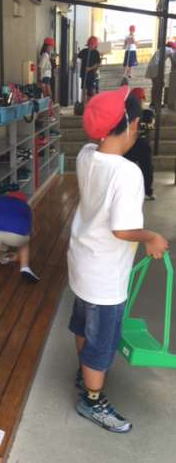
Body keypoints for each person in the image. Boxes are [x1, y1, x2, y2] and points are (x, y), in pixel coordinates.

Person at [68, 86, 168, 433]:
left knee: (83, 326)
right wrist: (151, 237)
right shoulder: (127, 173)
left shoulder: (85, 155)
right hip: (105, 275)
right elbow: (123, 230)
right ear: (130, 125)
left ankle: (84, 376)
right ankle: (92, 399)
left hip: (82, 262)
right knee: (101, 342)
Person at [0, 191, 40, 285]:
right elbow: (31, 229)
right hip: (16, 235)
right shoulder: (25, 206)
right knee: (24, 242)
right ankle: (25, 268)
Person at [124, 87, 156, 200]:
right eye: (138, 99)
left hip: (143, 145)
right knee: (125, 168)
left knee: (147, 169)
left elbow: (150, 126)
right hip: (129, 145)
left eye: (140, 100)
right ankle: (125, 190)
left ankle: (147, 191)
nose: (139, 102)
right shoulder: (126, 114)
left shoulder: (148, 113)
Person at [145, 41, 175, 107]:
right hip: (157, 66)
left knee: (155, 86)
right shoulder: (170, 50)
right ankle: (157, 103)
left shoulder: (161, 49)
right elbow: (173, 61)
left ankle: (153, 103)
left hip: (151, 66)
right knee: (160, 85)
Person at [77, 36, 101, 102]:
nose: (90, 46)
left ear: (95, 45)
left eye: (92, 45)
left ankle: (91, 103)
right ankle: (83, 104)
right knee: (84, 90)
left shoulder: (96, 53)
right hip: (83, 74)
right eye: (89, 44)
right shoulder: (84, 51)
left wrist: (90, 68)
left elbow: (98, 63)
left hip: (91, 75)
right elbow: (78, 57)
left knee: (91, 90)